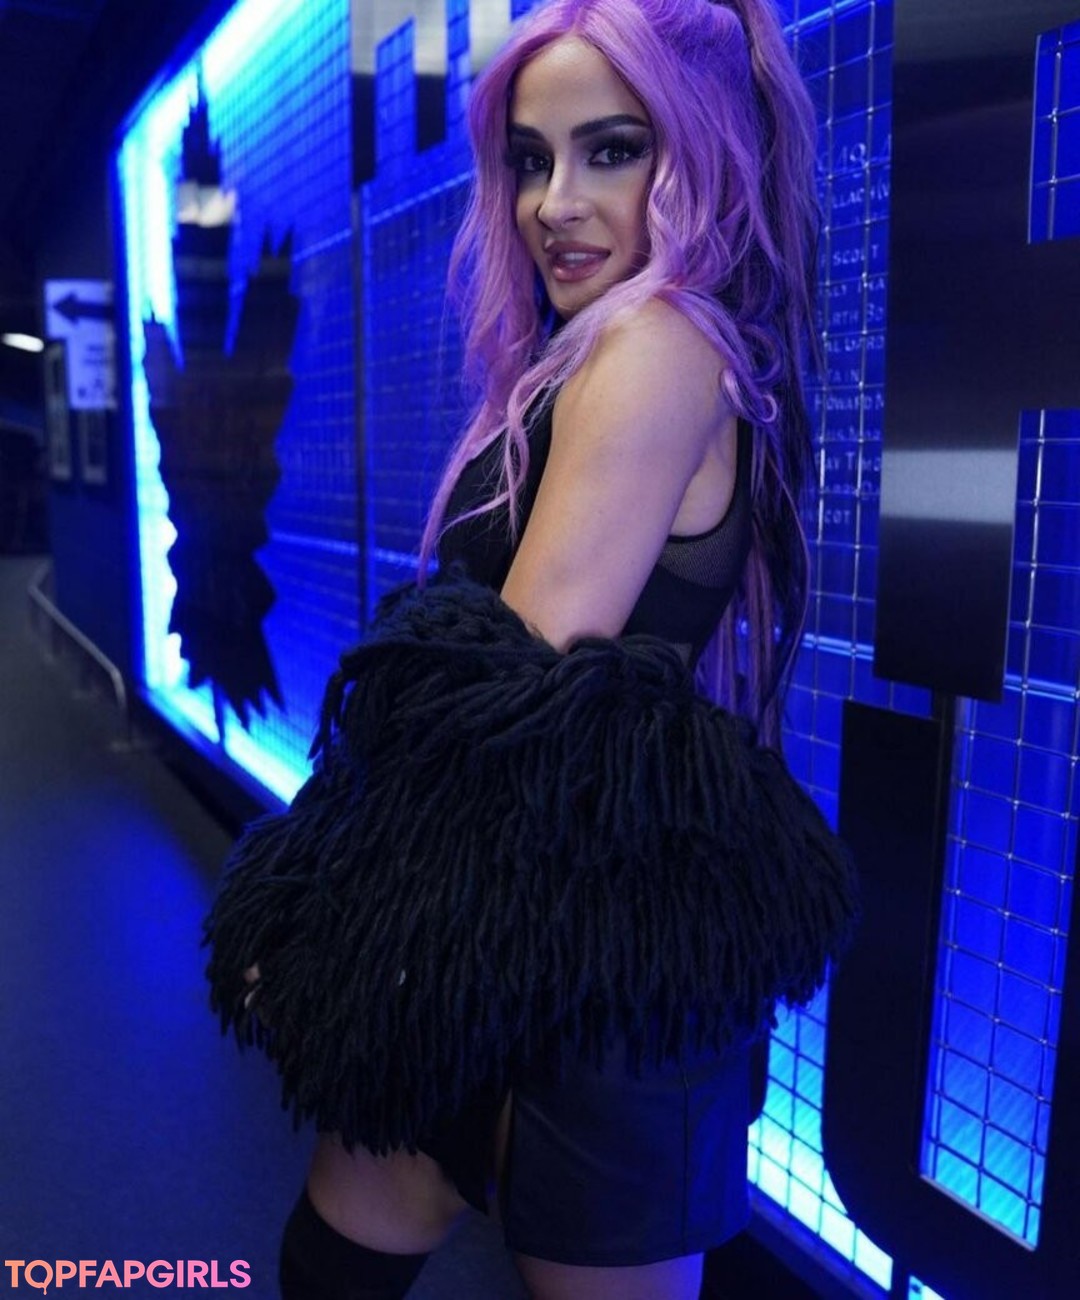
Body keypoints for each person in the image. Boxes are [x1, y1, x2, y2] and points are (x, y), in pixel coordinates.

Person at [204, 2, 856, 1298]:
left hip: (602, 977)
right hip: (497, 925)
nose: (554, 203)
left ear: (702, 149)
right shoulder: (583, 356)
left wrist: (330, 915)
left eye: (612, 150)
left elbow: (510, 688)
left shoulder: (660, 346)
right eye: (528, 159)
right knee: (330, 1260)